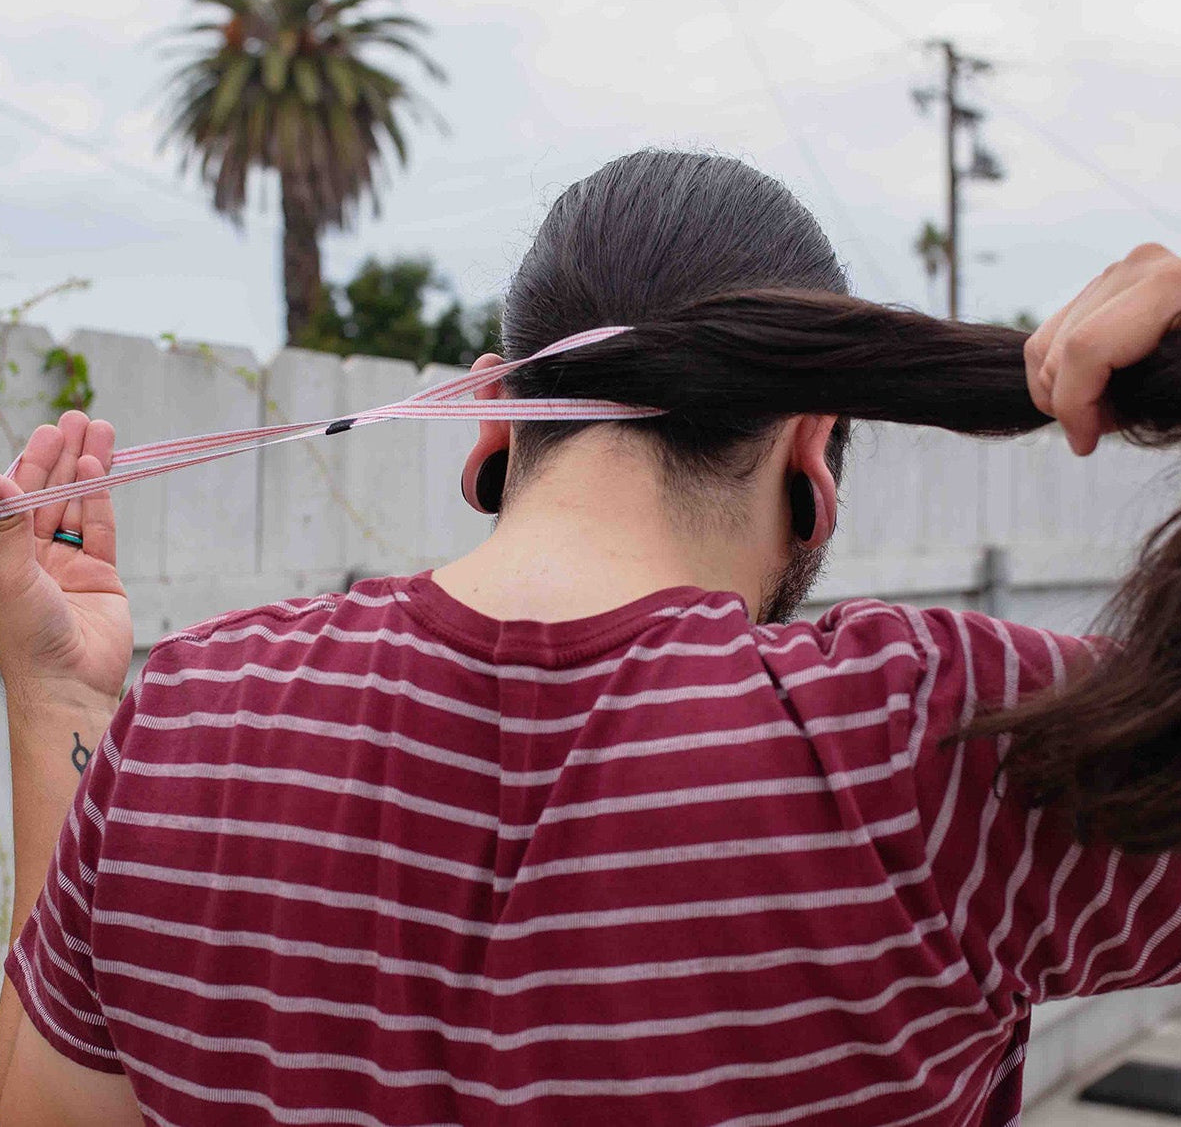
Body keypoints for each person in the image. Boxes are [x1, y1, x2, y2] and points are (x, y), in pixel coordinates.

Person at [1, 150, 1181, 1127]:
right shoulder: (939, 746)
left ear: (490, 418)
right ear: (812, 452)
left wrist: (58, 700)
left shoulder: (189, 716)